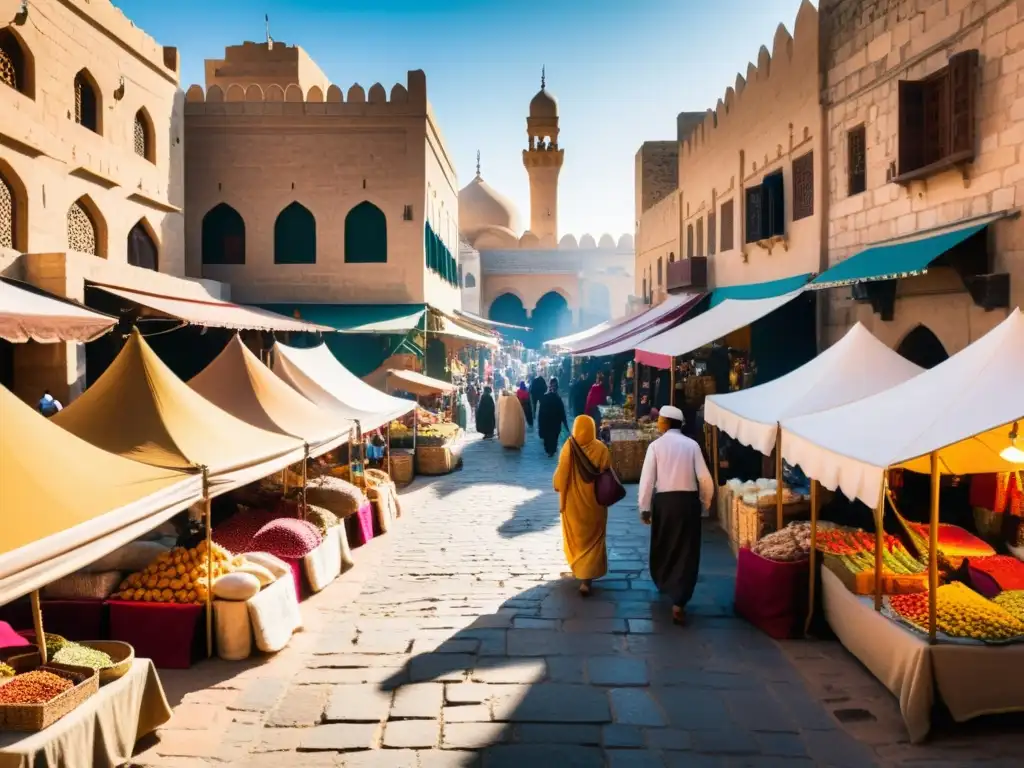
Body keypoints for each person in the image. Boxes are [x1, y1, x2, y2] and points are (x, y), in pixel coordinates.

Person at [638, 405, 715, 625]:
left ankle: (666, 581)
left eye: (660, 419)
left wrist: (644, 507)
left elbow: (647, 481)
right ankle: (679, 600)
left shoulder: (655, 447)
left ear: (667, 422)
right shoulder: (692, 446)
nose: (658, 422)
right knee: (686, 549)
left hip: (665, 503)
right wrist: (704, 503)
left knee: (664, 544)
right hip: (687, 502)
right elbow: (705, 479)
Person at [553, 414, 612, 596]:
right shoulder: (601, 449)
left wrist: (557, 484)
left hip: (573, 505)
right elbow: (607, 472)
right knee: (593, 538)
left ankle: (580, 568)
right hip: (595, 504)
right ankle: (587, 579)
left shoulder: (569, 448)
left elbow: (560, 478)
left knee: (577, 538)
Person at [537, 377, 569, 457]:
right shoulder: (558, 398)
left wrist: (540, 425)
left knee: (548, 437)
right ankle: (551, 451)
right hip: (554, 422)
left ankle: (550, 451)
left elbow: (541, 414)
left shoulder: (546, 397)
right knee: (553, 437)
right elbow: (562, 413)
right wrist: (565, 424)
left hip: (548, 422)